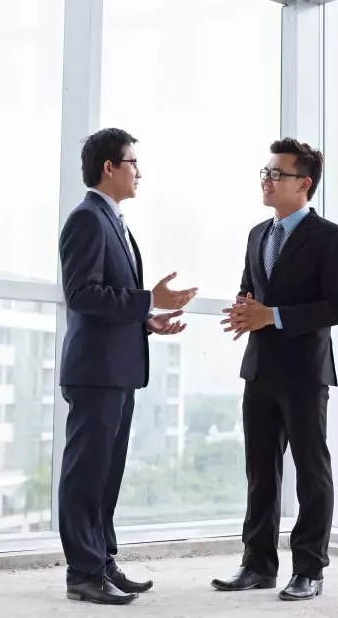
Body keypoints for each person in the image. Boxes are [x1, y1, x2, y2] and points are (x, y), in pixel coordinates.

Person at [57, 127, 198, 605]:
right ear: (110, 168)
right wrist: (146, 298)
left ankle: (102, 559)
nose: (139, 171)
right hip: (96, 372)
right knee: (85, 474)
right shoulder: (87, 220)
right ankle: (83, 573)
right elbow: (80, 295)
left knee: (106, 474)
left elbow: (111, 301)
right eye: (133, 162)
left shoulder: (115, 221)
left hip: (117, 369)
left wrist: (147, 319)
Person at [213, 138, 338, 602]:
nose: (267, 181)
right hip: (259, 370)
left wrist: (270, 315)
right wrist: (244, 309)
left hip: (304, 372)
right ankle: (256, 565)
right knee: (260, 472)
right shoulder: (257, 234)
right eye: (265, 173)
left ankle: (309, 570)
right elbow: (250, 287)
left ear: (304, 184)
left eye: (277, 174)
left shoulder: (330, 237)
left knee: (312, 473)